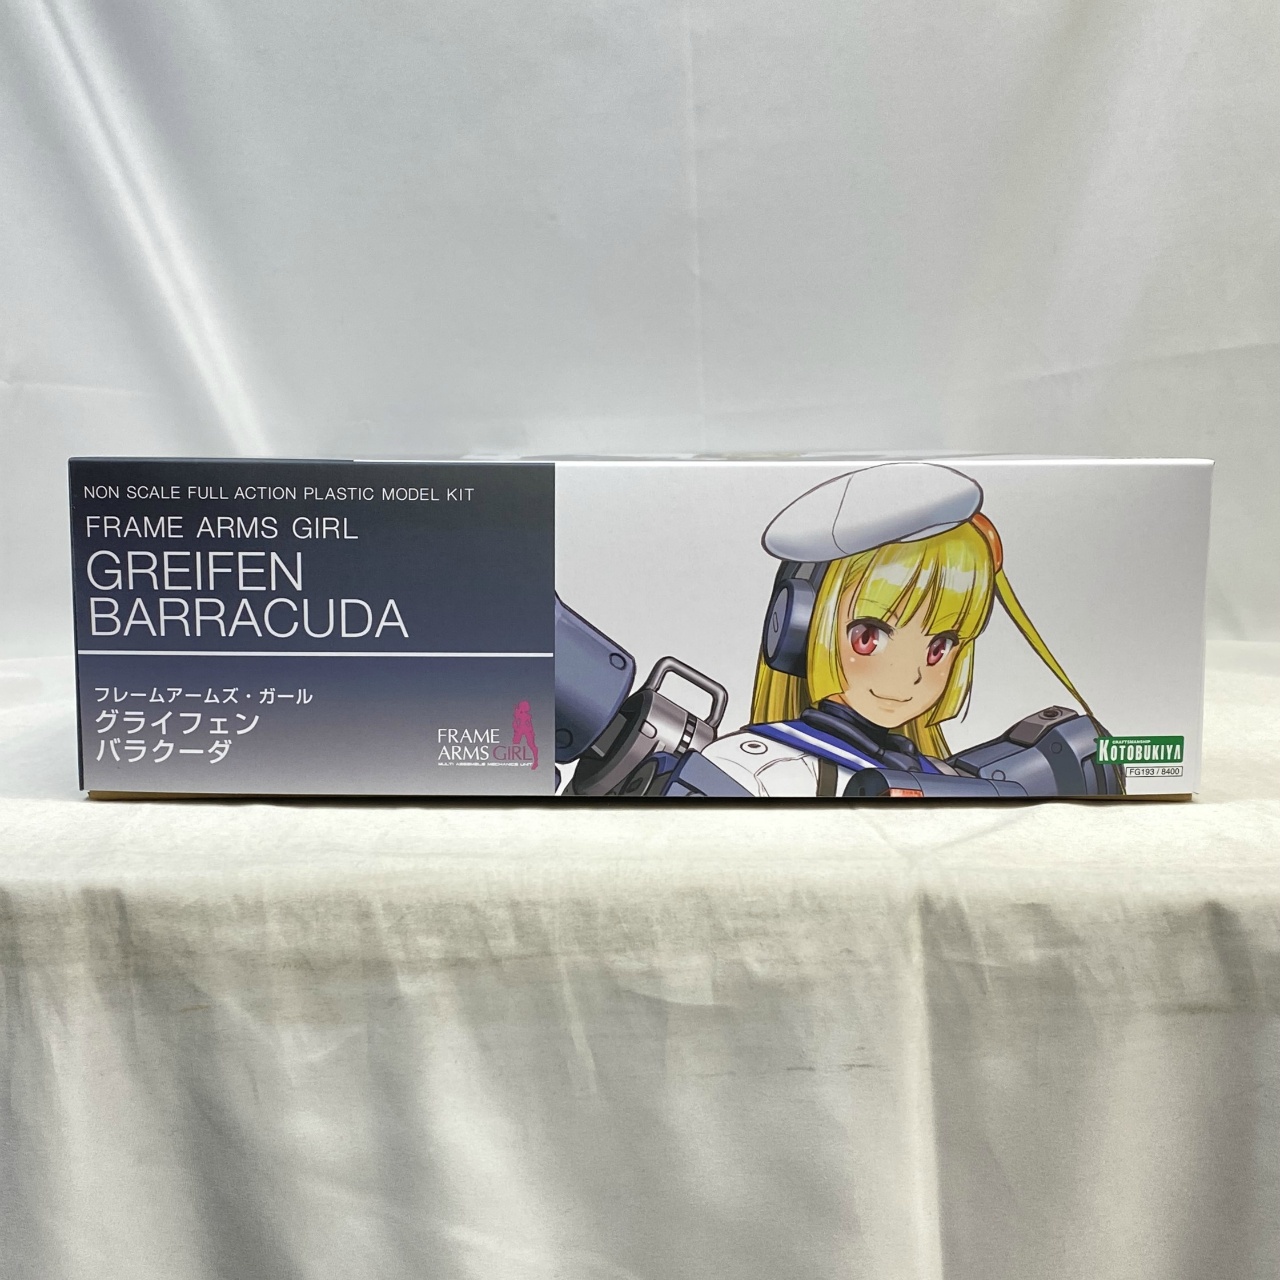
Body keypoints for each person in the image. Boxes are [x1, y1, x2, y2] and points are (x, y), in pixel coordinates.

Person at [698, 462, 1114, 798]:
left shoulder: (936, 775)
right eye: (868, 637)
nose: (910, 676)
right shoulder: (754, 769)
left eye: (939, 647)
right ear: (798, 630)